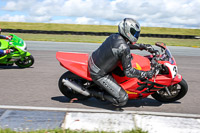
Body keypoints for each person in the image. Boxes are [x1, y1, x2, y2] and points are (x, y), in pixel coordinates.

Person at [88, 18, 157, 106]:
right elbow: (129, 72)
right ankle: (93, 93)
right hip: (99, 73)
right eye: (134, 32)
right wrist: (146, 74)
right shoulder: (124, 48)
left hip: (96, 60)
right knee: (122, 99)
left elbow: (124, 45)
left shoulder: (115, 36)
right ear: (127, 31)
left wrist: (142, 46)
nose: (136, 35)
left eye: (136, 33)